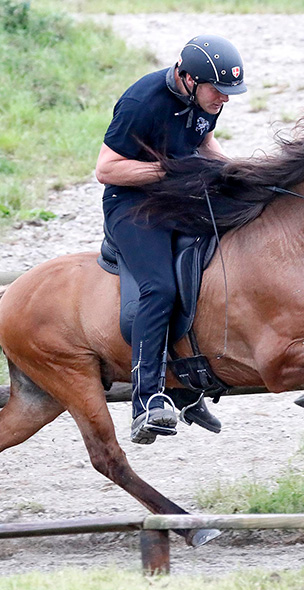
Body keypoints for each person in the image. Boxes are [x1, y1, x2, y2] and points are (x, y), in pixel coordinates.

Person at [95, 34, 247, 444]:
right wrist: (171, 172)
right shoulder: (140, 103)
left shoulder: (206, 100)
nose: (226, 100)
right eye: (220, 90)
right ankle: (146, 402)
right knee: (159, 287)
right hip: (131, 207)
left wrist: (238, 170)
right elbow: (106, 169)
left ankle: (186, 382)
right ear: (189, 79)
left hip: (175, 198)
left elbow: (202, 141)